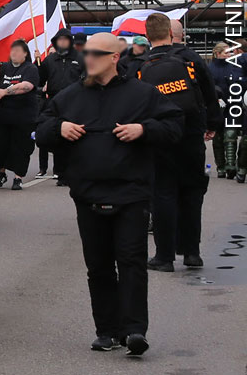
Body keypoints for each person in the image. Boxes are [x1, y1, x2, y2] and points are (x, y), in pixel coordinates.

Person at [36, 32, 182, 356]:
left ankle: (133, 331)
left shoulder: (143, 95)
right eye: (85, 52)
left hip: (132, 192)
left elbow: (175, 126)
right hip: (87, 193)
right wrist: (58, 128)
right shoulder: (70, 96)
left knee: (131, 262)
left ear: (114, 58)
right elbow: (41, 129)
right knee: (98, 266)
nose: (87, 58)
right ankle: (106, 331)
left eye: (95, 53)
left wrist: (144, 129)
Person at [140, 14, 214, 272]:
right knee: (193, 192)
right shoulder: (192, 59)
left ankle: (164, 256)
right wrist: (212, 124)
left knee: (163, 193)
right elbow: (209, 93)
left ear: (147, 36)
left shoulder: (140, 64)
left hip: (159, 136)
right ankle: (192, 253)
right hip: (191, 134)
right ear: (172, 35)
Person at [0, 40, 40, 190]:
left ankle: (18, 178)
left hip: (24, 117)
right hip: (2, 116)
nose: (15, 53)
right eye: (13, 50)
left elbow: (26, 86)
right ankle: (1, 173)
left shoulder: (30, 69)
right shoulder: (4, 68)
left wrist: (6, 91)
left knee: (21, 147)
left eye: (18, 51)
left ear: (25, 53)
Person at [37, 29, 82, 179]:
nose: (63, 42)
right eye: (60, 40)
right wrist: (37, 64)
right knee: (57, 134)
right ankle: (59, 171)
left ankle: (73, 168)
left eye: (65, 39)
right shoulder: (50, 60)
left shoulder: (80, 58)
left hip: (75, 101)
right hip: (55, 100)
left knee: (74, 135)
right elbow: (39, 79)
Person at [208, 42, 244, 180]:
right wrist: (215, 99)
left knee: (230, 135)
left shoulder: (234, 67)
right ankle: (221, 168)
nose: (229, 55)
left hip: (232, 105)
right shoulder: (210, 68)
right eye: (226, 52)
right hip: (216, 107)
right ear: (218, 54)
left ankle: (230, 166)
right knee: (217, 138)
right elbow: (207, 87)